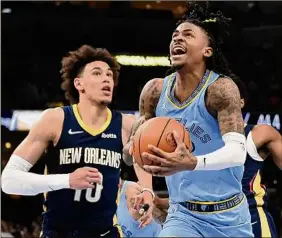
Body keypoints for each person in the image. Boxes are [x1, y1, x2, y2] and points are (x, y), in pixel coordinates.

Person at [123, 2, 253, 237]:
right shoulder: (154, 91)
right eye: (175, 35)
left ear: (207, 50)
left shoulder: (220, 89)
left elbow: (237, 153)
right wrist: (131, 152)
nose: (177, 39)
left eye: (188, 34)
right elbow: (132, 157)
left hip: (230, 215)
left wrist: (191, 162)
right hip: (183, 216)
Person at [2, 45, 154, 238]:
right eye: (97, 73)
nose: (107, 78)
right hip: (57, 233)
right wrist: (67, 180)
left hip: (105, 233)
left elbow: (140, 158)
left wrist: (148, 191)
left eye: (109, 74)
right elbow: (9, 181)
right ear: (78, 83)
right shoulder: (55, 120)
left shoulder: (126, 124)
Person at [234, 78, 282, 238]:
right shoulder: (201, 138)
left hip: (251, 219)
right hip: (210, 221)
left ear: (241, 101)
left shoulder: (260, 134)